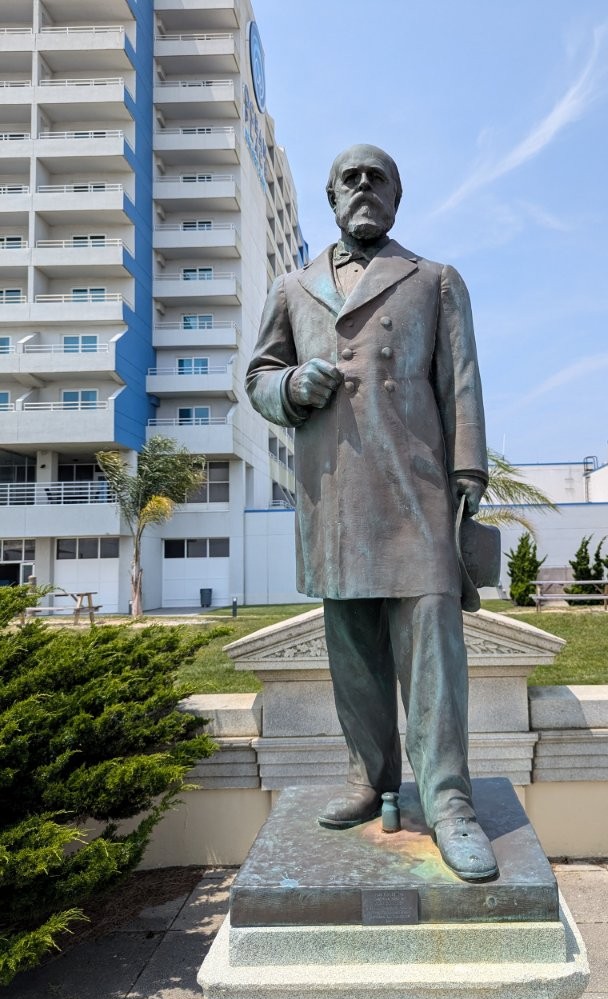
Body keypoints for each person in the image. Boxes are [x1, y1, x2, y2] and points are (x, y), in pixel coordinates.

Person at [246, 144, 497, 881]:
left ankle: (449, 801)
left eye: (377, 176)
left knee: (434, 655)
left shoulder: (435, 280)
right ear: (330, 197)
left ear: (396, 195)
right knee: (353, 654)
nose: (363, 186)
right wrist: (292, 386)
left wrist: (468, 471)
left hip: (417, 490)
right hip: (335, 495)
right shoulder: (293, 287)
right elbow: (258, 376)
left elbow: (464, 383)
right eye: (350, 178)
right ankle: (369, 777)